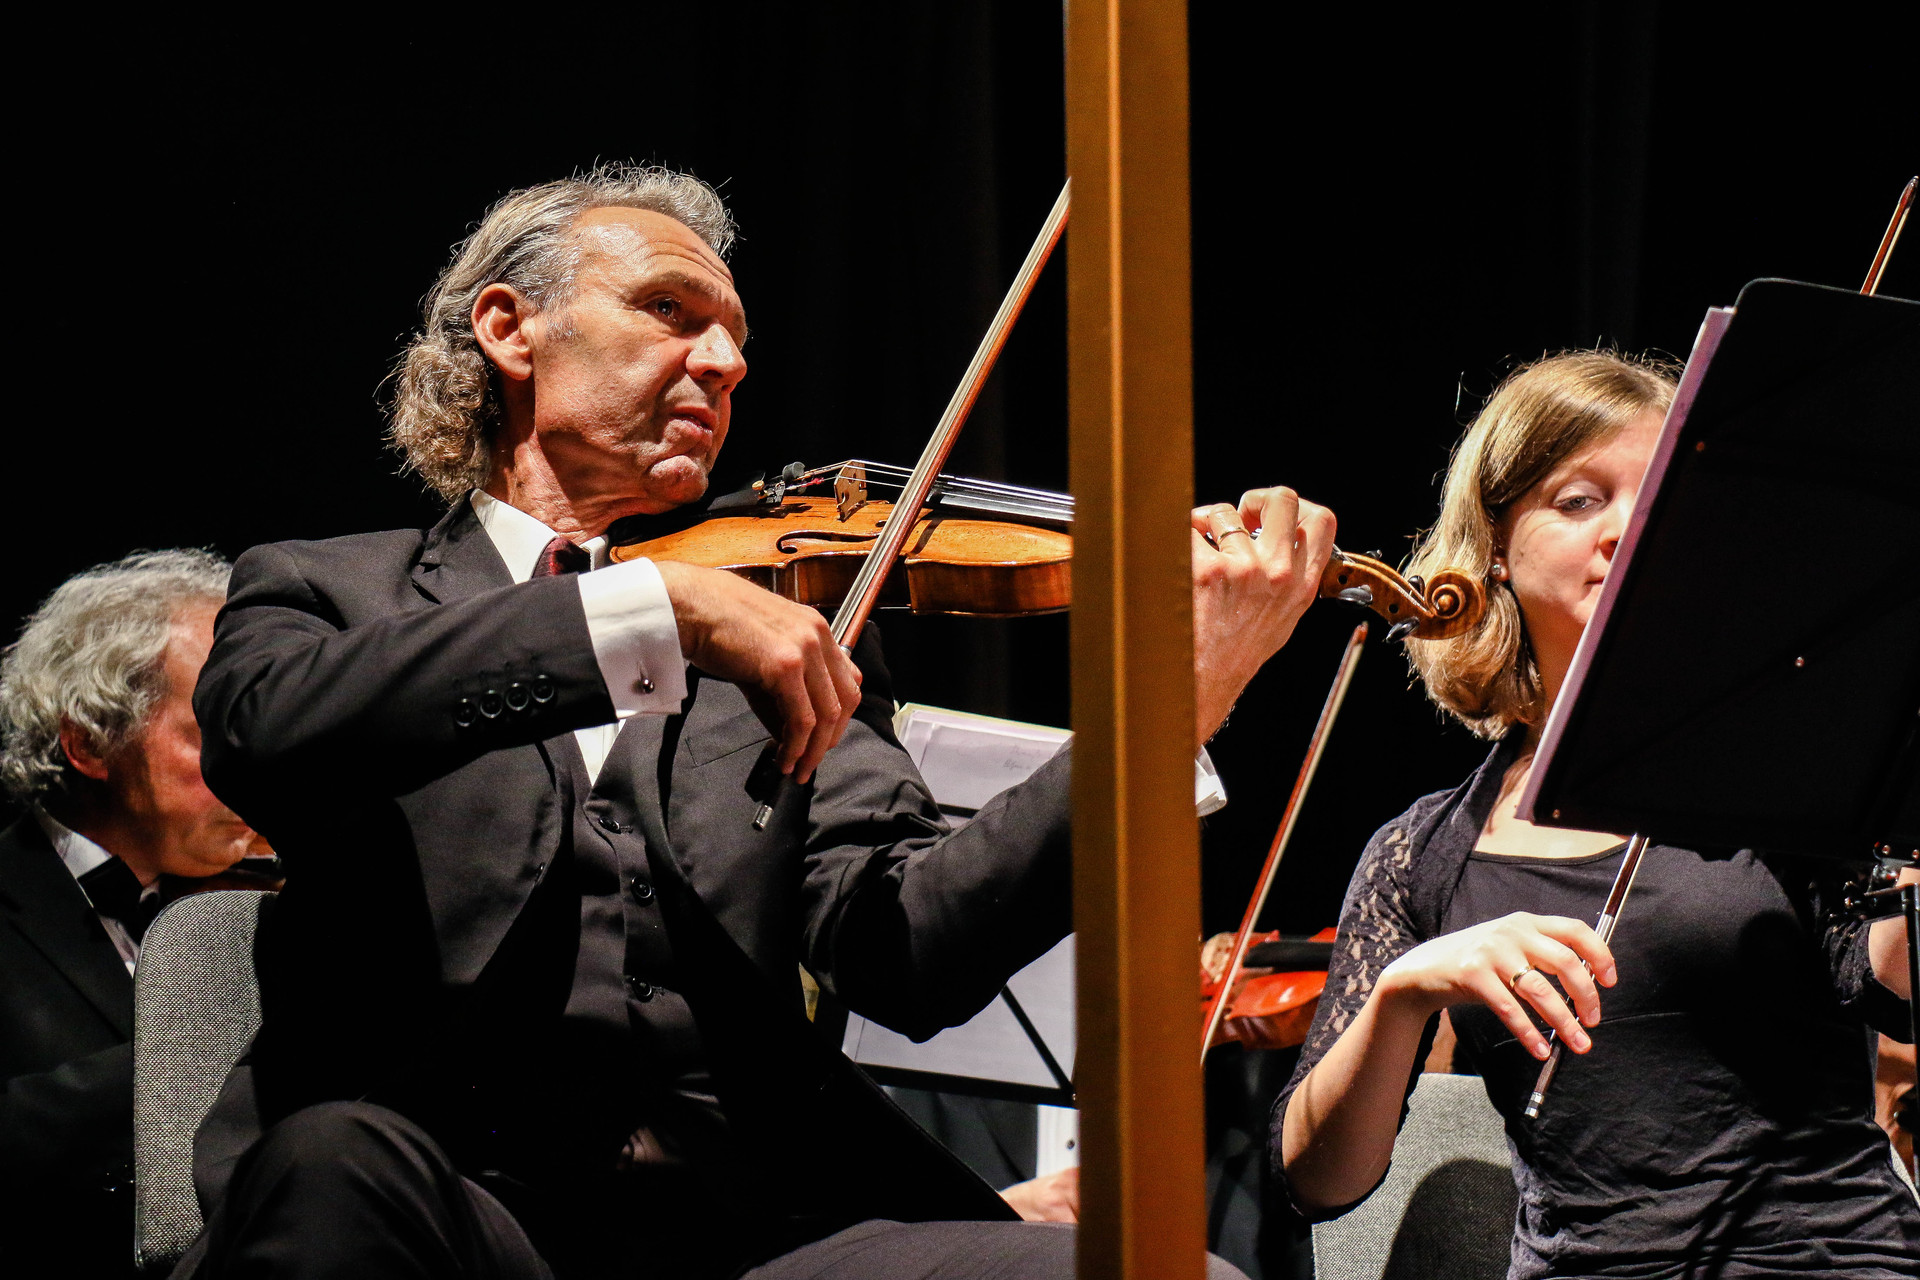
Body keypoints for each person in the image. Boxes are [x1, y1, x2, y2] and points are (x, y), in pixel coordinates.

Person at [181, 163, 1331, 1280]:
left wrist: (1166, 711)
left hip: (750, 1231)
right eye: (670, 310)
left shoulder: (793, 634)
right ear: (509, 328)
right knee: (329, 1166)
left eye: (735, 337)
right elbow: (265, 728)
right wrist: (646, 609)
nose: (726, 361)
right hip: (447, 1203)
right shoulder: (332, 590)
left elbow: (908, 951)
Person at [1272, 350, 1920, 1277]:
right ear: (1496, 548)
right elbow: (1319, 1181)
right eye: (1579, 501)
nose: (1629, 530)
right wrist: (1404, 990)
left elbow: (1898, 989)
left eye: (1660, 499)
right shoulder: (1424, 852)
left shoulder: (1783, 783)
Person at [0, 549, 266, 1273]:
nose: (254, 767)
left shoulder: (250, 899)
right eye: (215, 729)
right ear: (90, 742)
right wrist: (195, 1049)